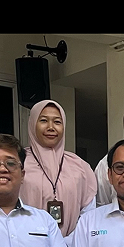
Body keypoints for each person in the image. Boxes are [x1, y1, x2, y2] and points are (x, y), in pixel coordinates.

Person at [20, 99, 97, 236]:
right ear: (32, 124)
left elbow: (88, 214)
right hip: (25, 243)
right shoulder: (19, 163)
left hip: (70, 244)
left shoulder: (79, 165)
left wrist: (68, 242)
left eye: (57, 122)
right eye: (43, 121)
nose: (51, 127)